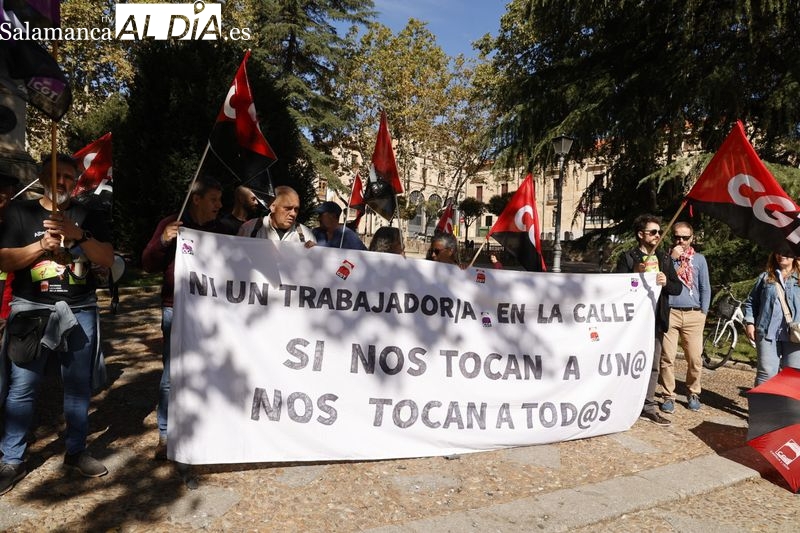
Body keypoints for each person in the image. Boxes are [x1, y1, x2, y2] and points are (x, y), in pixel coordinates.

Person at [0, 154, 114, 495]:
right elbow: (3, 259)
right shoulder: (20, 212)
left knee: (78, 387)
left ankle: (76, 450)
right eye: (57, 175)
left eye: (69, 176)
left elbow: (107, 258)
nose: (63, 181)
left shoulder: (88, 213)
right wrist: (39, 246)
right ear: (42, 177)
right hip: (31, 310)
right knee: (22, 387)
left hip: (80, 309)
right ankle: (12, 459)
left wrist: (77, 235)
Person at [141, 177, 227, 460]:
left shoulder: (220, 230)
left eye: (220, 200)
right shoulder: (172, 223)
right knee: (172, 373)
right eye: (214, 200)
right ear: (197, 200)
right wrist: (164, 240)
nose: (219, 205)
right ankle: (166, 433)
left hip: (211, 311)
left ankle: (203, 427)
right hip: (175, 308)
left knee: (209, 369)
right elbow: (148, 263)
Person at [615, 214, 682, 426]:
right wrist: (634, 274)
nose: (657, 235)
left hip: (656, 319)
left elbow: (677, 287)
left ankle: (648, 405)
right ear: (640, 235)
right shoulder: (628, 257)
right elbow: (615, 286)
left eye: (659, 232)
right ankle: (621, 401)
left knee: (653, 363)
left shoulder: (663, 258)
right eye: (653, 232)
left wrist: (665, 281)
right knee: (626, 362)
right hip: (632, 322)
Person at [658, 222, 710, 413]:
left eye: (685, 237)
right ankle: (668, 395)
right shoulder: (665, 258)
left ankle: (693, 392)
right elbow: (659, 277)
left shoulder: (699, 260)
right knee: (667, 358)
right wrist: (671, 260)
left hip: (694, 314)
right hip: (671, 312)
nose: (681, 241)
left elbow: (705, 287)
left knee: (695, 358)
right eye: (677, 237)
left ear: (692, 238)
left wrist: (703, 312)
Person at [743, 252, 800, 386]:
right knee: (766, 373)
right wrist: (750, 322)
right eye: (778, 252)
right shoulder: (766, 277)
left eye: (785, 252)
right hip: (768, 333)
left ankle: (787, 407)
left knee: (793, 375)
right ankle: (763, 407)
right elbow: (751, 301)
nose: (781, 255)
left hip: (796, 335)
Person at [238, 185, 316, 246]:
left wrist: (314, 253)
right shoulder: (249, 229)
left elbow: (314, 264)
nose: (293, 213)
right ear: (272, 206)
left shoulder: (306, 235)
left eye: (296, 209)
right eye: (288, 208)